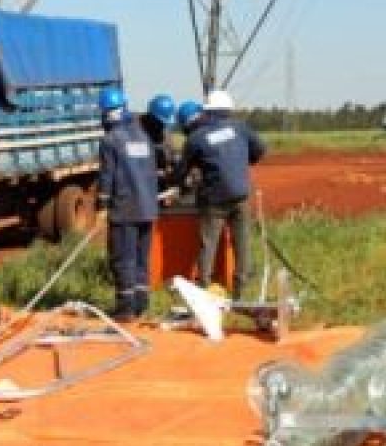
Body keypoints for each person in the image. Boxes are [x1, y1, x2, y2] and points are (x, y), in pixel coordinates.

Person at [171, 89, 266, 301]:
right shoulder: (241, 128)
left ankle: (203, 288)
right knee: (242, 244)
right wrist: (242, 162)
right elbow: (260, 149)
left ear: (208, 112)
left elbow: (180, 173)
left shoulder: (197, 138)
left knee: (208, 244)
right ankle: (241, 292)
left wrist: (174, 181)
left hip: (214, 200)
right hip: (240, 195)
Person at [95, 86, 159, 322]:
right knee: (142, 259)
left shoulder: (110, 140)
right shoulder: (144, 137)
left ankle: (125, 309)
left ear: (108, 113)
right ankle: (141, 304)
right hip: (148, 208)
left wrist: (101, 205)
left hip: (125, 209)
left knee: (123, 258)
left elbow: (107, 176)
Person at [141, 94, 179, 180]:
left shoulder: (165, 131)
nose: (161, 125)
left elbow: (170, 153)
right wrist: (153, 172)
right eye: (159, 122)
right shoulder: (137, 130)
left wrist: (173, 164)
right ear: (151, 116)